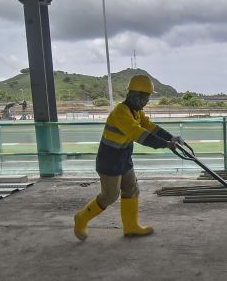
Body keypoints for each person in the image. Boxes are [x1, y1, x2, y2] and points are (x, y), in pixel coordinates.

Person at [73, 75, 184, 241]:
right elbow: (139, 134)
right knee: (109, 196)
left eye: (147, 98)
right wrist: (166, 145)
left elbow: (151, 127)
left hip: (123, 156)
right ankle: (81, 218)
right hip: (109, 159)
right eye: (145, 97)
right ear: (134, 95)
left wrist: (171, 137)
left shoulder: (136, 112)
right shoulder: (121, 112)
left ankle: (131, 227)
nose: (146, 101)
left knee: (131, 189)